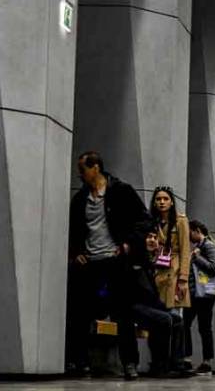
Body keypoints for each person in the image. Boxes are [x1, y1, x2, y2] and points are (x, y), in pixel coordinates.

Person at [66, 151, 150, 379]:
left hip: (115, 261)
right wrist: (76, 253)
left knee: (123, 313)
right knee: (80, 313)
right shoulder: (80, 199)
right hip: (89, 263)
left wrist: (127, 245)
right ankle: (80, 361)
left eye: (82, 169)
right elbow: (72, 230)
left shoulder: (121, 191)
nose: (79, 174)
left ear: (95, 168)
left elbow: (145, 221)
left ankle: (130, 364)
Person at [126, 221, 191, 378]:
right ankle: (159, 366)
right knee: (164, 319)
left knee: (177, 320)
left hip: (148, 305)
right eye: (149, 237)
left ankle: (177, 364)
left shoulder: (151, 260)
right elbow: (140, 292)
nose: (152, 240)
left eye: (155, 237)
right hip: (132, 305)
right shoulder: (134, 258)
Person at [183, 219, 215, 374]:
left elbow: (214, 267)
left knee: (204, 327)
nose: (188, 236)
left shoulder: (208, 246)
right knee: (188, 324)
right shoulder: (199, 246)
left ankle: (205, 361)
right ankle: (187, 358)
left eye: (190, 232)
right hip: (196, 293)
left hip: (205, 295)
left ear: (196, 231)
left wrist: (197, 258)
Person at [149, 186, 191, 312]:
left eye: (165, 199)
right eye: (158, 199)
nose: (162, 202)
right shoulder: (151, 222)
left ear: (171, 202)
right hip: (156, 268)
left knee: (173, 313)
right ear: (154, 203)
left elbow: (185, 250)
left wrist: (183, 279)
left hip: (174, 270)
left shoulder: (181, 221)